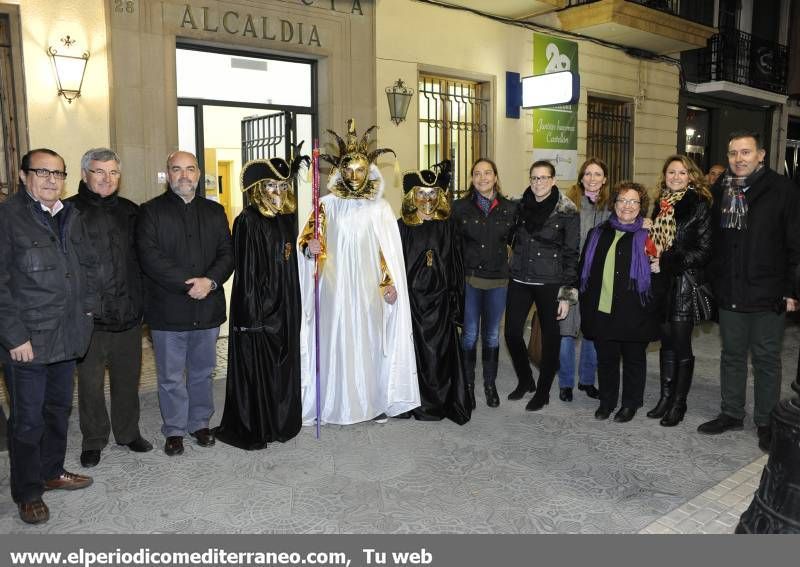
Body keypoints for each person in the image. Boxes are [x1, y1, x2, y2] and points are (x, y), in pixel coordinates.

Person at [299, 120, 420, 425]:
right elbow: (307, 240)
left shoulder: (379, 209)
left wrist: (389, 283)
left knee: (369, 344)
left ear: (369, 172)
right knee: (334, 345)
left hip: (369, 292)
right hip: (333, 291)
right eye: (348, 170)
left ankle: (371, 402)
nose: (354, 176)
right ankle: (332, 403)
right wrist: (309, 246)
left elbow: (385, 253)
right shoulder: (325, 206)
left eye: (360, 170)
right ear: (339, 171)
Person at [0, 148, 96, 524]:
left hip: (67, 334)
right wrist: (13, 336)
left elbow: (83, 269)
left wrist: (87, 312)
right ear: (24, 176)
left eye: (58, 173)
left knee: (58, 410)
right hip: (27, 341)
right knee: (27, 420)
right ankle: (27, 491)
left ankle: (52, 471)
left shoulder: (71, 215)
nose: (51, 179)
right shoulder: (8, 218)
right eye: (42, 172)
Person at [698, 130, 800, 452]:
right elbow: (712, 240)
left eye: (745, 152)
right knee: (732, 355)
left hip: (769, 291)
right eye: (733, 153)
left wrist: (791, 290)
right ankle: (731, 412)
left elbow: (795, 245)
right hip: (730, 288)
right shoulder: (720, 189)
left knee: (767, 358)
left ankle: (767, 421)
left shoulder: (782, 190)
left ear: (761, 155)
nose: (739, 159)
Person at [137, 151, 233, 456]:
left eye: (190, 169)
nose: (184, 175)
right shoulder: (149, 212)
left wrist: (210, 281)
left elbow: (228, 254)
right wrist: (188, 283)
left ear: (198, 173)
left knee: (204, 371)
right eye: (177, 169)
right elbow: (150, 257)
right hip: (168, 309)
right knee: (170, 375)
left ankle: (199, 424)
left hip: (208, 307)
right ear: (167, 173)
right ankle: (175, 430)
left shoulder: (215, 212)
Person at [214, 150, 308, 449]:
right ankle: (261, 425)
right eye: (270, 186)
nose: (277, 192)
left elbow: (290, 261)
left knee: (284, 365)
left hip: (286, 306)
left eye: (282, 186)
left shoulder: (287, 219)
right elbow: (247, 275)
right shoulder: (247, 221)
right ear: (258, 189)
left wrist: (308, 250)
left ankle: (283, 421)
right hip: (262, 311)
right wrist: (253, 318)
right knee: (262, 367)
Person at [67, 148, 152, 468]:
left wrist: (142, 305)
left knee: (128, 381)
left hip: (128, 316)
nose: (107, 178)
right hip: (89, 320)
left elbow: (143, 262)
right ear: (85, 174)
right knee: (89, 385)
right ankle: (93, 440)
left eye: (113, 172)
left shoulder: (132, 212)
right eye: (99, 172)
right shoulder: (67, 211)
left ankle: (128, 433)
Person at [579, 181, 660, 423]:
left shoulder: (649, 235)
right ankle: (607, 401)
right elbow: (585, 269)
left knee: (634, 360)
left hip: (635, 311)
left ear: (641, 205)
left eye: (634, 201)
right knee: (607, 360)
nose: (627, 206)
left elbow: (659, 274)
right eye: (622, 200)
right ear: (614, 204)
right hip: (603, 309)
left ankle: (630, 403)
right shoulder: (598, 233)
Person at [397, 161, 470, 424]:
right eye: (421, 193)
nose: (426, 199)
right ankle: (413, 402)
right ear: (411, 196)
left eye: (432, 194)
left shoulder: (448, 226)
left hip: (440, 303)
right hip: (412, 304)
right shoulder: (401, 227)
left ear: (439, 196)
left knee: (439, 353)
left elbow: (457, 265)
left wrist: (456, 301)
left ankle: (440, 401)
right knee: (414, 352)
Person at [504, 160, 579, 411]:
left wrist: (567, 296)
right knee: (512, 333)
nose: (539, 183)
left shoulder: (567, 210)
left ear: (554, 180)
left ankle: (544, 391)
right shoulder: (518, 204)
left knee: (550, 338)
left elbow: (571, 253)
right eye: (535, 178)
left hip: (550, 282)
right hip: (520, 278)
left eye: (544, 178)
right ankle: (526, 380)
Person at [646, 155, 712, 426]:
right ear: (664, 176)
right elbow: (655, 241)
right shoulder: (661, 205)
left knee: (681, 344)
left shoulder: (699, 205)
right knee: (666, 343)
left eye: (681, 172)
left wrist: (666, 259)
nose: (675, 176)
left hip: (684, 282)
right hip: (661, 283)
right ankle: (664, 397)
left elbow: (704, 250)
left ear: (691, 176)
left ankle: (678, 403)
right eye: (671, 172)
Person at [452, 159, 516, 409]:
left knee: (491, 336)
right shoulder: (459, 208)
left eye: (487, 173)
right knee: (469, 336)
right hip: (469, 281)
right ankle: (467, 386)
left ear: (496, 177)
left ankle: (490, 385)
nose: (482, 178)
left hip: (498, 281)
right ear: (471, 179)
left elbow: (520, 240)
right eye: (477, 174)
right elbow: (451, 245)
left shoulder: (510, 208)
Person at [558, 157, 611, 402]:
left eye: (597, 174)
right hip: (569, 278)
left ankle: (587, 381)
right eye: (588, 174)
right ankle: (566, 383)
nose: (592, 179)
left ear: (605, 179)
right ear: (581, 178)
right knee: (567, 332)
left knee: (592, 331)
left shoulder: (612, 208)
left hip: (598, 282)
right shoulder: (568, 205)